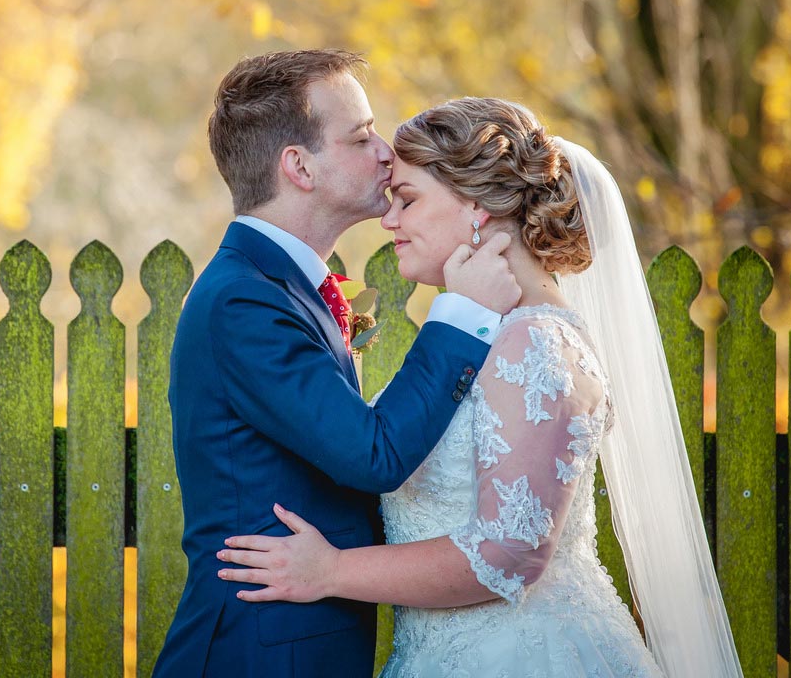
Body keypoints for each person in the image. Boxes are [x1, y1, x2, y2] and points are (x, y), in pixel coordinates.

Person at [216, 97, 744, 677]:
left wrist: (331, 571)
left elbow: (506, 557)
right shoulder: (483, 335)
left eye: (409, 200)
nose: (389, 221)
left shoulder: (535, 344)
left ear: (479, 208)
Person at [151, 54, 522, 678]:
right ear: (298, 167)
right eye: (360, 136)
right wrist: (461, 314)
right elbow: (371, 457)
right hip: (260, 653)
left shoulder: (281, 286)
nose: (386, 152)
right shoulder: (244, 301)